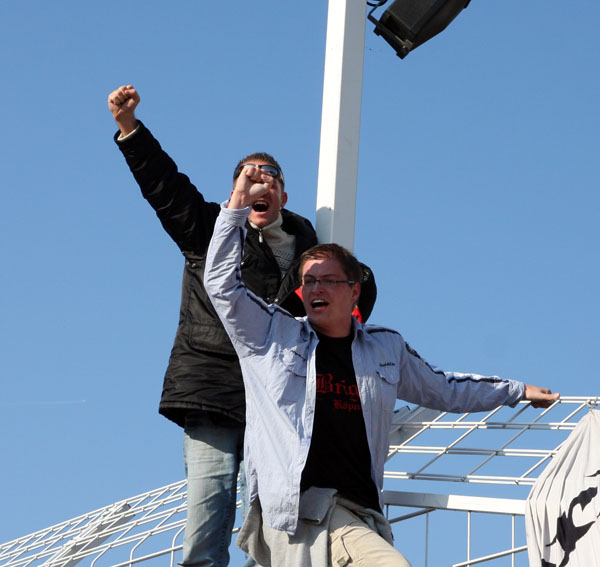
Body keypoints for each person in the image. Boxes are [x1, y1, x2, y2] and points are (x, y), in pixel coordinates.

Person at [203, 176, 560, 567]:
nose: (316, 289)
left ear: (354, 291)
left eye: (328, 280)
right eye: (309, 282)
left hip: (363, 511)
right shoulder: (271, 335)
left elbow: (445, 389)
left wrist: (516, 391)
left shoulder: (384, 348)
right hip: (302, 512)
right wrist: (236, 208)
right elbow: (222, 287)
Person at [107, 84, 330, 567]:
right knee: (207, 525)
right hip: (211, 389)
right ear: (235, 193)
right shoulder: (207, 229)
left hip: (274, 402)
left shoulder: (310, 255)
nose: (261, 184)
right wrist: (130, 129)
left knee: (274, 530)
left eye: (270, 177)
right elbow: (164, 186)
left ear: (284, 195)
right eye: (250, 177)